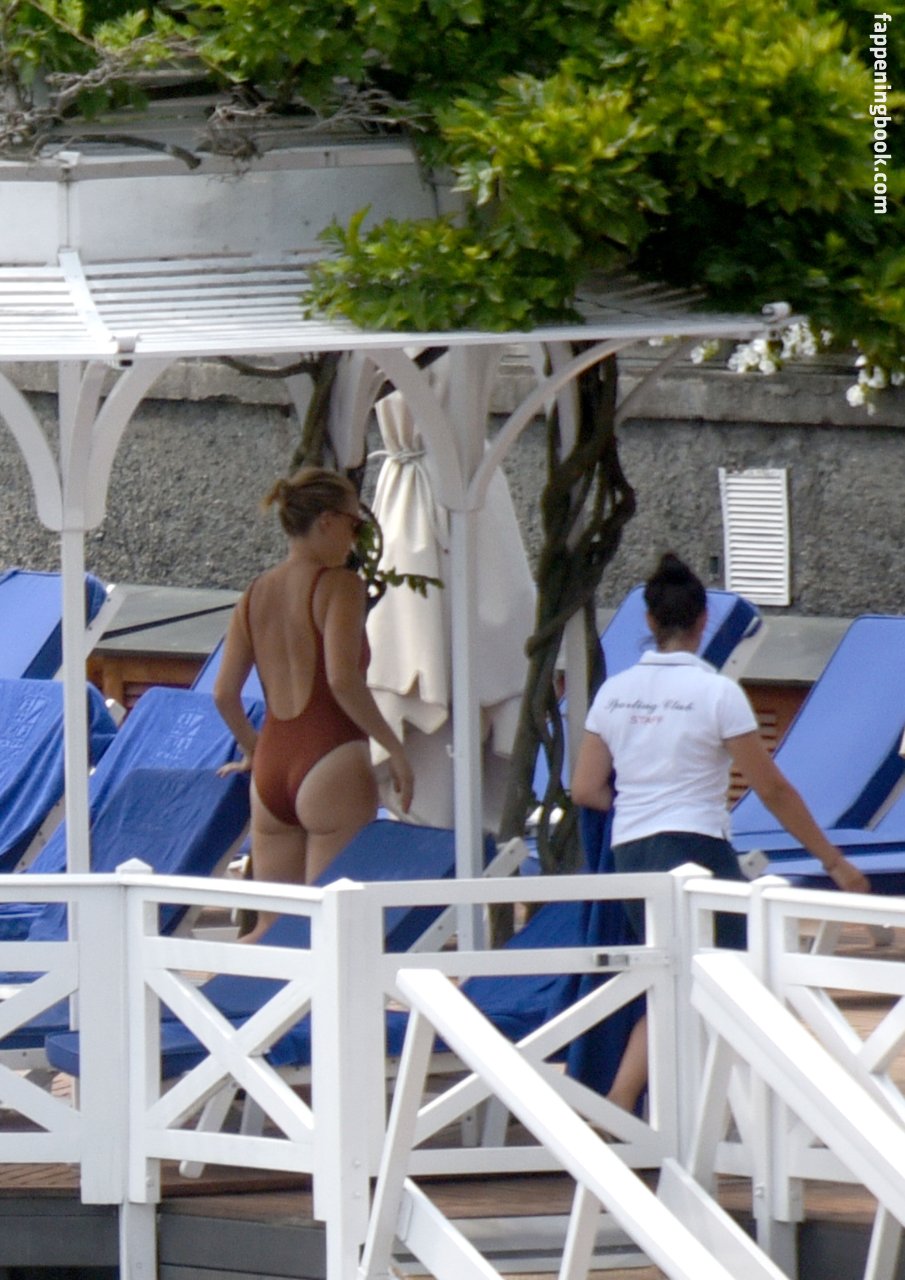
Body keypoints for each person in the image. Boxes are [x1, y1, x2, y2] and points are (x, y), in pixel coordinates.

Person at [570, 552, 870, 1113]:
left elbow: (585, 788)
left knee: (677, 978)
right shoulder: (717, 693)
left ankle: (634, 1101)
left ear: (649, 621)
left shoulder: (614, 692)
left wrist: (635, 803)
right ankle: (751, 1111)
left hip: (631, 851)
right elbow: (771, 788)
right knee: (739, 974)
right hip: (696, 846)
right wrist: (833, 860)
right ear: (703, 621)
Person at [214, 466, 414, 942]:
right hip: (331, 758)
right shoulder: (340, 586)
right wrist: (394, 748)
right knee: (329, 931)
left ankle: (226, 993)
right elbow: (343, 680)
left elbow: (224, 694)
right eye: (355, 524)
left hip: (271, 770)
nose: (355, 538)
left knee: (271, 932)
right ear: (326, 521)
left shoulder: (254, 593)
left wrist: (255, 751)